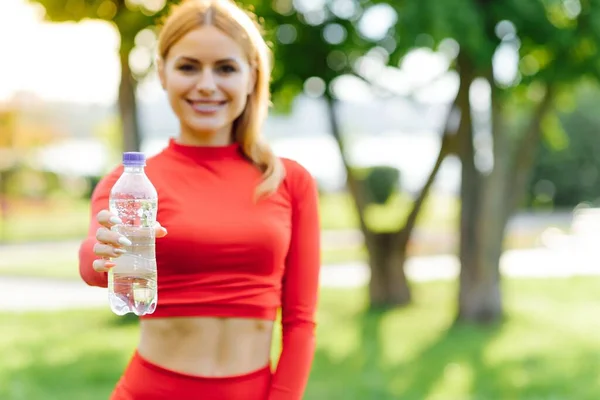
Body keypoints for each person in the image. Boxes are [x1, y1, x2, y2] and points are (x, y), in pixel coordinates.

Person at [77, 0, 321, 398]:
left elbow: (301, 321)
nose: (206, 84)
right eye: (188, 67)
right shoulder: (131, 183)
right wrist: (102, 252)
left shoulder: (289, 181)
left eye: (225, 68)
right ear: (162, 73)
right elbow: (93, 263)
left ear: (251, 76)